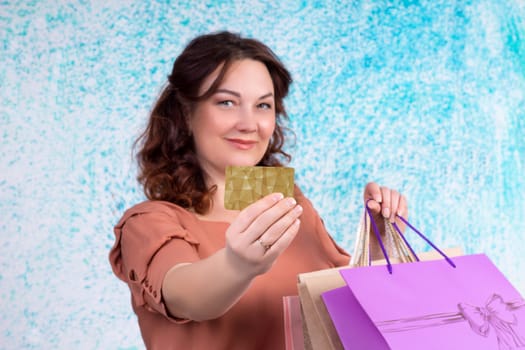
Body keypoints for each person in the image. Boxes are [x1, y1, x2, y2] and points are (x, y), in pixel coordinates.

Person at [109, 31, 407, 350]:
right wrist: (238, 266)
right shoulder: (148, 223)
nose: (249, 124)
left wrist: (378, 249)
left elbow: (336, 309)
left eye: (263, 105)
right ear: (185, 114)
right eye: (227, 102)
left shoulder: (290, 204)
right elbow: (188, 296)